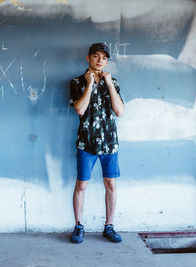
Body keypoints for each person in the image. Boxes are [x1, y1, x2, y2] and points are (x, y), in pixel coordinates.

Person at [69, 43, 124, 244]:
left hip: (110, 142)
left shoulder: (114, 82)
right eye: (96, 56)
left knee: (110, 183)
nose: (100, 60)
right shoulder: (76, 82)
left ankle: (109, 226)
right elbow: (80, 110)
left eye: (104, 58)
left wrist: (109, 84)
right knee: (82, 185)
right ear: (88, 58)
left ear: (107, 61)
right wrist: (90, 84)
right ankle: (78, 226)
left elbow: (119, 111)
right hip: (86, 143)